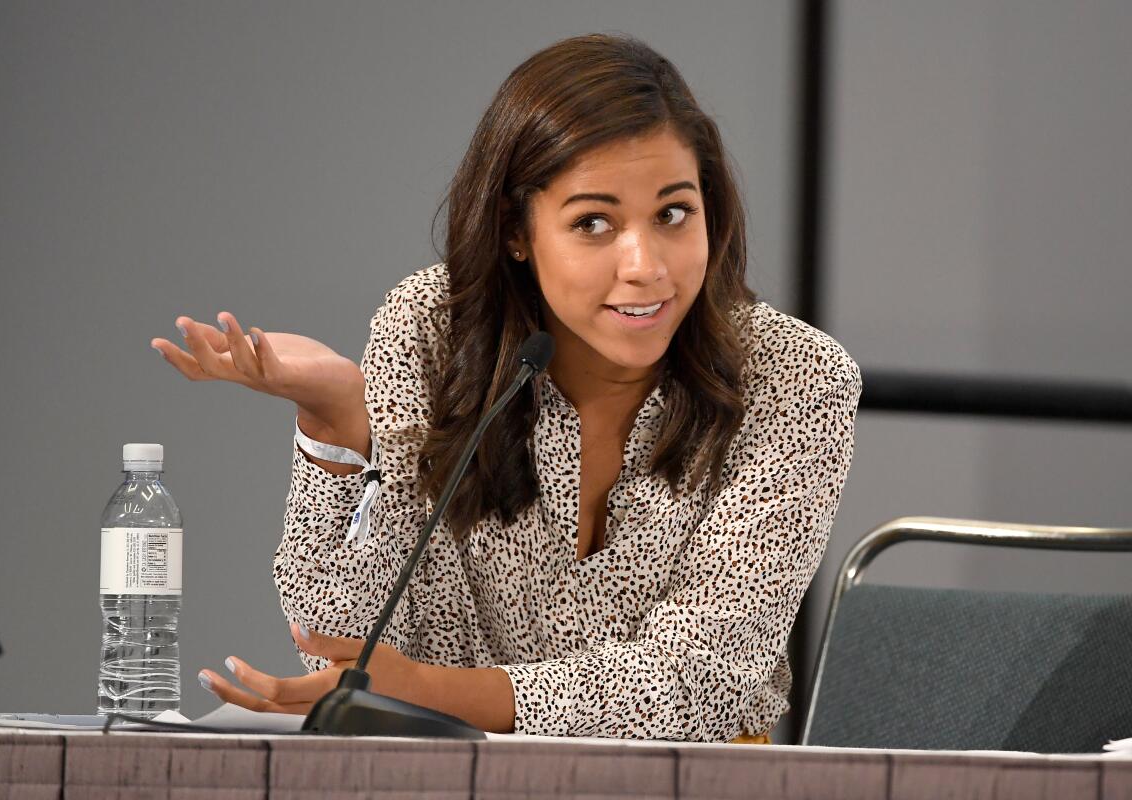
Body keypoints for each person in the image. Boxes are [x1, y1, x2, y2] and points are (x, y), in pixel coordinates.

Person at [151, 33, 861, 743]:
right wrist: (337, 425)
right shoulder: (432, 334)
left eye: (673, 213)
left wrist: (433, 693)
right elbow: (347, 656)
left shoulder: (795, 377)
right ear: (517, 231)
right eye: (594, 223)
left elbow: (702, 683)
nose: (645, 265)